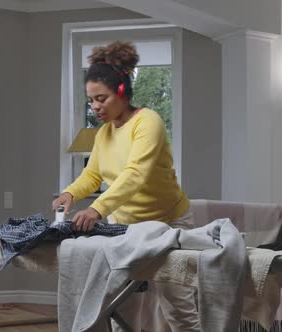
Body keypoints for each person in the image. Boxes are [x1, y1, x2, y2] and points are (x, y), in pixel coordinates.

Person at [52, 41, 199, 331]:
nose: (95, 107)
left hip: (168, 222)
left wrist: (96, 208)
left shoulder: (148, 122)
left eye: (101, 98)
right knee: (119, 304)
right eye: (91, 100)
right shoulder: (103, 133)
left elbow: (136, 174)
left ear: (121, 91)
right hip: (125, 227)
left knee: (177, 305)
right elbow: (92, 174)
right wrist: (70, 193)